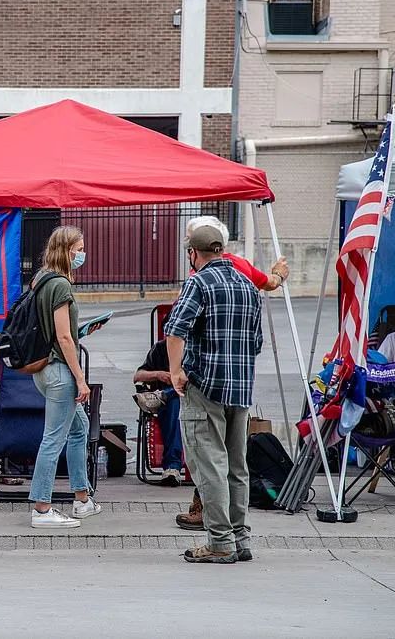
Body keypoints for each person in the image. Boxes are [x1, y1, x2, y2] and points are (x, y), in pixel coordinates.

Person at [165, 224, 263, 564]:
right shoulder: (248, 286)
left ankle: (220, 542)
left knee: (209, 466)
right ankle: (240, 537)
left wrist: (176, 371)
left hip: (205, 386)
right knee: (237, 466)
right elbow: (257, 342)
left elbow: (175, 331)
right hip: (240, 388)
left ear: (194, 253)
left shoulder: (198, 282)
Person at [27, 226, 100, 529]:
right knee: (54, 438)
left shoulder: (40, 280)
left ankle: (82, 499)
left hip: (44, 369)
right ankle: (42, 509)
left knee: (78, 429)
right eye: (80, 248)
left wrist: (82, 330)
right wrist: (81, 379)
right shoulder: (61, 286)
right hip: (59, 371)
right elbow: (64, 338)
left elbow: (57, 333)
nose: (83, 254)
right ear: (69, 251)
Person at [133, 339, 182, 486]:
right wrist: (158, 374)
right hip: (170, 406)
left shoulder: (196, 346)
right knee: (174, 406)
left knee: (180, 392)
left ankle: (164, 395)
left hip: (195, 398)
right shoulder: (160, 348)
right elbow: (137, 376)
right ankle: (172, 468)